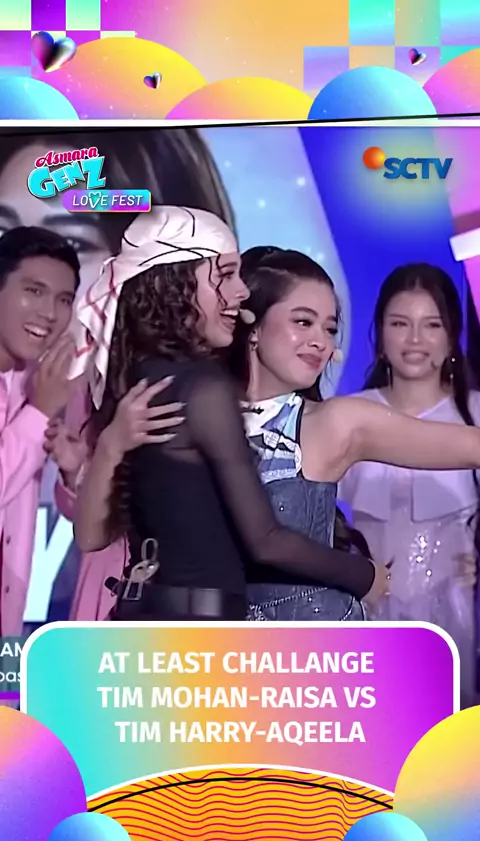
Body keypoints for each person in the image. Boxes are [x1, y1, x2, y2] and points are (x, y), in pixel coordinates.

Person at [70, 207, 387, 621]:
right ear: (177, 281)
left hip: (145, 623)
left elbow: (90, 536)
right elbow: (265, 541)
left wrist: (110, 444)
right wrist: (364, 575)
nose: (240, 293)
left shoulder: (137, 381)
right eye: (225, 275)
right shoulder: (204, 389)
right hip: (200, 632)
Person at [0, 126, 235, 622]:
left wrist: (76, 472)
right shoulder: (48, 386)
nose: (48, 308)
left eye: (74, 243)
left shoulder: (189, 384)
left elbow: (98, 519)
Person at [224, 247, 480, 625]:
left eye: (329, 329)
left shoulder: (336, 421)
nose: (321, 341)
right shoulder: (199, 410)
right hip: (212, 648)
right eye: (303, 322)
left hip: (320, 648)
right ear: (253, 325)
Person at [338, 263, 479, 707]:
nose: (415, 339)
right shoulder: (347, 415)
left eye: (431, 325)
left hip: (456, 611)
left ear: (452, 334)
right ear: (380, 333)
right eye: (400, 324)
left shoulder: (475, 414)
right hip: (366, 610)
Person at [0, 226, 81, 637]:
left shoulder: (39, 383)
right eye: (34, 291)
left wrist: (73, 473)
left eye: (64, 299)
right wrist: (39, 413)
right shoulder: (43, 397)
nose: (49, 313)